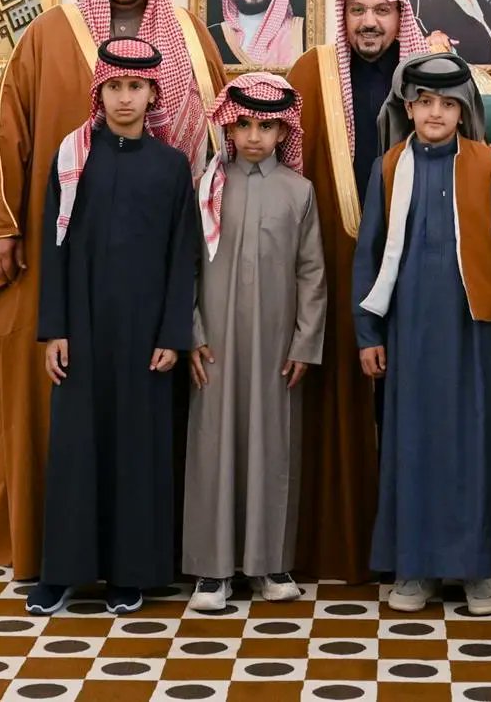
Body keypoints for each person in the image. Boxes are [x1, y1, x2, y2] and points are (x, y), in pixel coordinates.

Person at [0, 0, 225, 580]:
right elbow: (6, 129)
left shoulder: (190, 36)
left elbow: (221, 131)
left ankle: (159, 548)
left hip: (167, 254)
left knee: (157, 404)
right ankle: (62, 547)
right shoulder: (49, 34)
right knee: (69, 401)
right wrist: (0, 224)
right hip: (67, 259)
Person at [25, 37, 201, 617]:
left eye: (136, 87)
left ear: (153, 94)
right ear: (99, 92)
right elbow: (53, 248)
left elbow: (183, 258)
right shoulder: (73, 159)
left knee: (137, 451)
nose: (125, 98)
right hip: (82, 330)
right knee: (76, 450)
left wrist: (173, 335)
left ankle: (131, 574)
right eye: (116, 87)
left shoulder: (171, 168)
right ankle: (63, 574)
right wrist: (55, 328)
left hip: (145, 339)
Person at [354, 52, 491, 615]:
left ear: (463, 110)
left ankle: (477, 571)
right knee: (413, 444)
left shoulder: (486, 164)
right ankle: (415, 568)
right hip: (408, 333)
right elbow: (369, 255)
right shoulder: (388, 167)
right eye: (425, 102)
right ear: (408, 108)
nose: (435, 113)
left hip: (472, 331)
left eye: (447, 104)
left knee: (472, 444)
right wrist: (368, 334)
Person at [286, 0, 430, 584]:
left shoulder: (429, 78)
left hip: (422, 260)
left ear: (401, 19)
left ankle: (418, 544)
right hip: (334, 256)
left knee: (416, 399)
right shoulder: (312, 73)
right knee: (339, 394)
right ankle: (340, 538)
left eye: (383, 11)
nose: (369, 22)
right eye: (358, 11)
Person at [183, 72, 325, 610]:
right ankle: (211, 571)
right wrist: (192, 333)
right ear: (228, 126)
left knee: (273, 447)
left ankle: (270, 564)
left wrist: (305, 343)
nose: (253, 136)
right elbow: (186, 268)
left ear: (283, 131)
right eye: (242, 124)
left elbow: (312, 273)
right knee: (213, 446)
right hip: (214, 345)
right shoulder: (207, 187)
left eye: (266, 126)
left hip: (276, 348)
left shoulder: (299, 191)